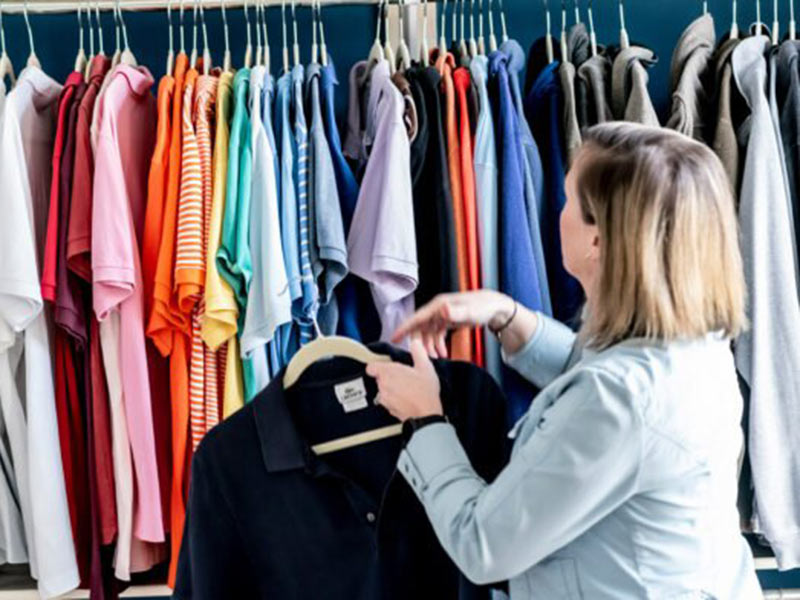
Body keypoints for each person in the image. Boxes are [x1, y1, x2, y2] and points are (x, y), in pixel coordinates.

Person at [366, 122, 763, 599]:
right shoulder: (697, 343)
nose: (558, 212)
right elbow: (612, 383)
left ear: (598, 241)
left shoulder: (619, 400)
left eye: (568, 199)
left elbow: (483, 545)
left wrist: (425, 419)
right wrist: (507, 316)